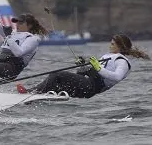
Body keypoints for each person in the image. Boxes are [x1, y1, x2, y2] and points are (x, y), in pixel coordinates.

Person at [17, 34, 149, 98]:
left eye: (113, 44)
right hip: (88, 81)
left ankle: (30, 94)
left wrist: (98, 68)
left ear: (120, 46)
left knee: (57, 75)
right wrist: (83, 65)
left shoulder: (122, 61)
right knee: (58, 82)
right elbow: (91, 71)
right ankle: (36, 94)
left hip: (93, 87)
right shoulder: (108, 56)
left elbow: (117, 77)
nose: (110, 45)